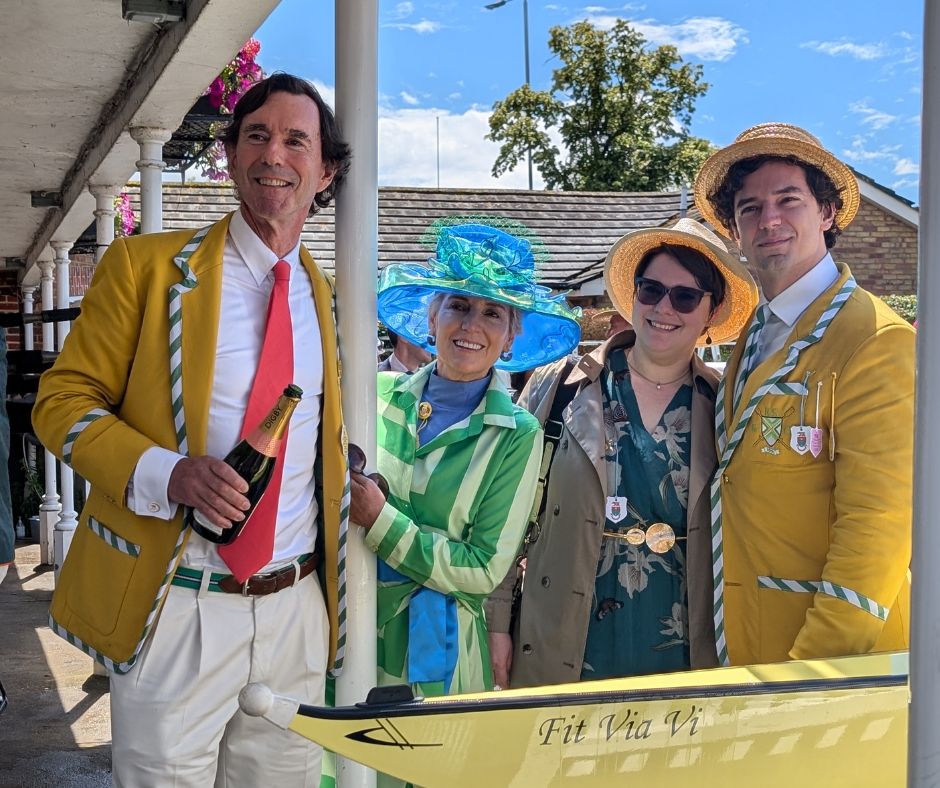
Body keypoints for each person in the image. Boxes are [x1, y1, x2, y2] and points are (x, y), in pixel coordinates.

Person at [32, 73, 352, 786]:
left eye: (297, 140)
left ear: (325, 170)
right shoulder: (144, 269)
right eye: (257, 136)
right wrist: (167, 472)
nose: (275, 153)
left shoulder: (327, 295)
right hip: (177, 601)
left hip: (296, 608)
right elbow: (60, 403)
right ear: (232, 157)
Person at [488, 218, 757, 688]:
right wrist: (496, 623)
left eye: (685, 296)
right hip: (564, 640)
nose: (663, 307)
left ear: (711, 312)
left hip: (685, 653)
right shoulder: (561, 387)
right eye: (650, 289)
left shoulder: (726, 406)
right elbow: (504, 510)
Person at [694, 122, 914, 666]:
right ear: (736, 232)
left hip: (820, 660)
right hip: (738, 644)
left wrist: (815, 671)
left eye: (787, 199)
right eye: (748, 208)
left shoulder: (878, 339)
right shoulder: (752, 333)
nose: (768, 219)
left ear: (827, 212)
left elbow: (878, 529)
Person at [349, 222, 581, 706]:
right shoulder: (372, 395)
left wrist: (380, 520)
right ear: (431, 319)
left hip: (441, 666)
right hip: (347, 641)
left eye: (492, 313)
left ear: (511, 337)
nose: (471, 324)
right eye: (458, 305)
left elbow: (482, 569)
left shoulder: (518, 434)